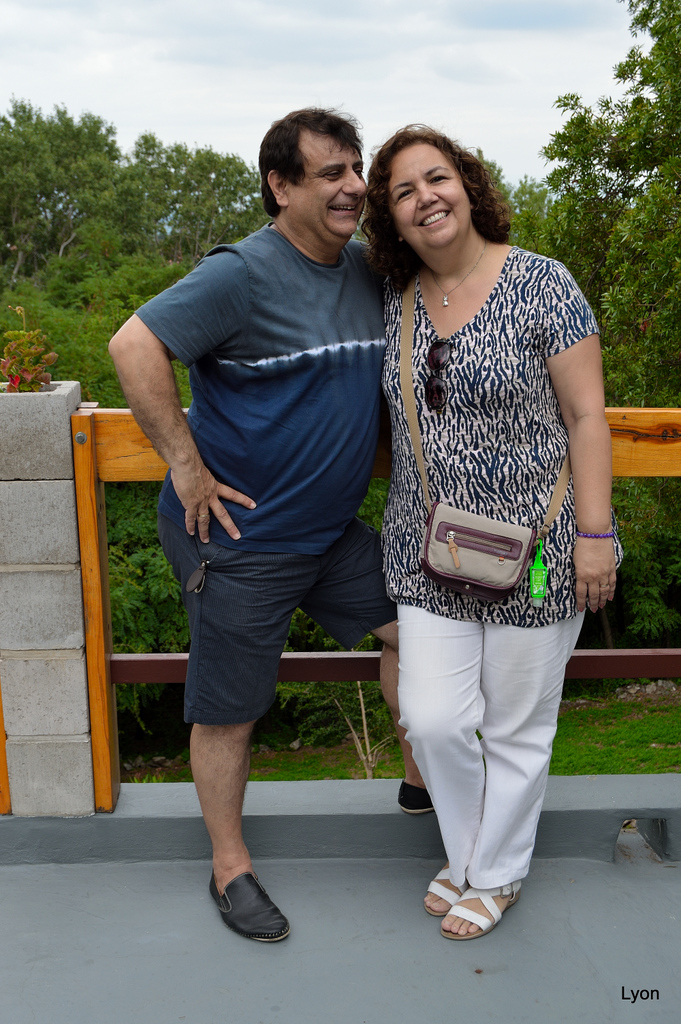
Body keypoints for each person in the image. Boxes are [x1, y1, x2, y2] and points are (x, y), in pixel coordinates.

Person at [108, 108, 429, 944]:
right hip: (240, 540)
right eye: (330, 174)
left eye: (355, 169)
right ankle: (230, 868)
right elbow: (132, 345)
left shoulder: (363, 269)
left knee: (419, 636)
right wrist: (186, 466)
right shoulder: (240, 274)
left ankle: (417, 779)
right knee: (231, 710)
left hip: (330, 533)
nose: (353, 187)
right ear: (280, 187)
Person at [362, 125, 621, 940]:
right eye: (403, 192)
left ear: (467, 186)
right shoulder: (394, 300)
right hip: (429, 549)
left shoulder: (542, 283)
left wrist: (592, 534)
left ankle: (490, 872)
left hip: (540, 549)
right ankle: (474, 851)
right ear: (391, 220)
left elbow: (586, 416)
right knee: (433, 718)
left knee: (515, 726)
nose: (424, 198)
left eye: (436, 178)